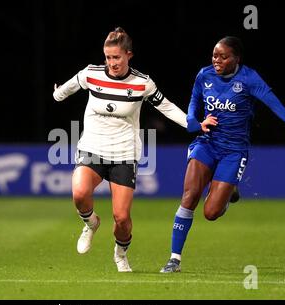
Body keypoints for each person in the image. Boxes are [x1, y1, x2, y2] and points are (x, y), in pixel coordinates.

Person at [53, 27, 216, 272]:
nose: (111, 63)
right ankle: (90, 223)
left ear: (129, 55)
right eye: (108, 57)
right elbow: (68, 87)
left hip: (124, 154)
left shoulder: (141, 83)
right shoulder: (91, 74)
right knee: (79, 193)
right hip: (92, 147)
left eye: (116, 57)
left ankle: (120, 253)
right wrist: (57, 94)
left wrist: (193, 124)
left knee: (122, 219)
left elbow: (167, 107)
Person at [160, 36, 285, 273]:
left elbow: (274, 103)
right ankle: (174, 259)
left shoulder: (249, 78)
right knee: (189, 196)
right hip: (207, 143)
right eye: (214, 55)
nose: (217, 60)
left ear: (236, 59)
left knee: (210, 213)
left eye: (223, 56)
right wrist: (193, 121)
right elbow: (193, 102)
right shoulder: (204, 75)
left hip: (234, 151)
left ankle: (228, 194)